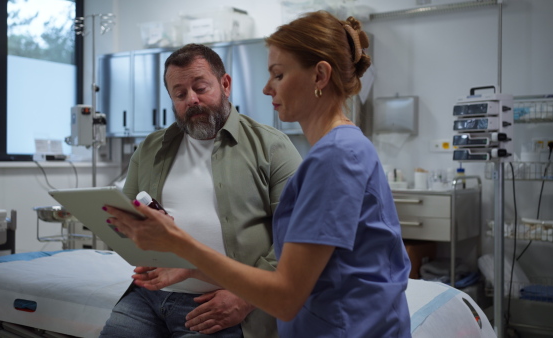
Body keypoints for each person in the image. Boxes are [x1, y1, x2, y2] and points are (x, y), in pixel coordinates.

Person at [105, 11, 411, 338]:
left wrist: (181, 245)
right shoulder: (335, 151)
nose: (266, 89)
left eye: (278, 75)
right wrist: (188, 265)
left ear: (320, 76)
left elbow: (283, 295)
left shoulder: (336, 157)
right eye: (179, 94)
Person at [99, 43, 302, 337]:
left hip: (219, 302)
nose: (191, 100)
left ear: (225, 84)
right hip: (148, 297)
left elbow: (296, 236)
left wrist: (247, 297)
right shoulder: (151, 148)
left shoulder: (272, 146)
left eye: (200, 87)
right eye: (180, 94)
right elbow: (126, 220)